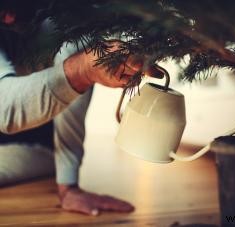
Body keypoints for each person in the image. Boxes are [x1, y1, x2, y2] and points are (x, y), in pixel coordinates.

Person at [0, 7, 163, 215]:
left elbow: (75, 53)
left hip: (35, 141)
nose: (9, 16)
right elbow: (5, 108)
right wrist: (82, 69)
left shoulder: (65, 22)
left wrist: (68, 185)